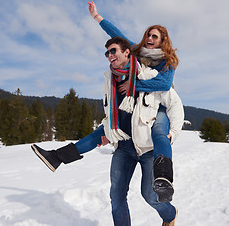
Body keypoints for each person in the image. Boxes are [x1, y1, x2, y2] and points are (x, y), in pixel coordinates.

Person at [32, 37, 180, 225]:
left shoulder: (148, 75)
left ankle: (170, 215)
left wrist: (173, 131)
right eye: (107, 53)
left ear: (127, 52)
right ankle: (57, 157)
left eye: (113, 51)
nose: (109, 55)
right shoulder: (109, 80)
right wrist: (109, 131)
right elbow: (111, 112)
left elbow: (174, 104)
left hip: (146, 147)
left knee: (150, 196)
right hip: (124, 147)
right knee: (116, 198)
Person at [88, 0, 181, 203]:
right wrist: (97, 17)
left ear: (162, 40)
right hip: (142, 106)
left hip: (160, 105)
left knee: (159, 134)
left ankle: (164, 177)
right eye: (148, 34)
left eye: (154, 36)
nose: (149, 38)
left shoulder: (168, 60)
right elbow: (117, 35)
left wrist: (133, 85)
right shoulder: (137, 51)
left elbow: (164, 84)